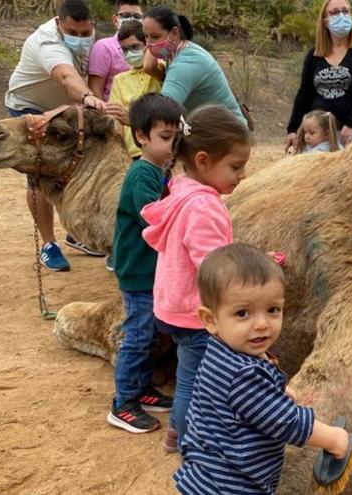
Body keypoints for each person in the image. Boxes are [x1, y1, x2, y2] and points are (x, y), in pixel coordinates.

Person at [174, 243, 350, 494]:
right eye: (243, 313)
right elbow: (286, 422)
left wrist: (274, 391)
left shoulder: (221, 350)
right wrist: (334, 439)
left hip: (206, 473)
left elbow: (241, 398)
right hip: (232, 486)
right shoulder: (242, 375)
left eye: (272, 310)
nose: (261, 324)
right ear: (211, 320)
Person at [141, 105, 252, 453]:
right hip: (196, 313)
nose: (242, 175)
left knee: (188, 376)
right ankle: (192, 440)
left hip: (172, 307)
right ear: (203, 160)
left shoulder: (181, 191)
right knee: (201, 381)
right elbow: (213, 266)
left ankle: (177, 432)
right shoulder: (205, 205)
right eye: (235, 166)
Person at [5, 0, 114, 271]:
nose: (79, 38)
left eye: (84, 33)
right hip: (30, 107)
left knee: (77, 170)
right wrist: (89, 97)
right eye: (72, 33)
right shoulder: (46, 41)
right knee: (42, 174)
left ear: (91, 26)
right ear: (58, 24)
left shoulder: (92, 40)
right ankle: (49, 244)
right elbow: (66, 77)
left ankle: (77, 233)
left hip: (67, 108)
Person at [106, 93, 184, 434]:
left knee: (149, 332)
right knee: (138, 334)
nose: (172, 146)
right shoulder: (142, 174)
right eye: (165, 138)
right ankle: (123, 402)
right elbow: (151, 219)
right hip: (139, 270)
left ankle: (141, 389)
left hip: (151, 270)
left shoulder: (157, 171)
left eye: (176, 139)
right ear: (141, 136)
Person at [284, 0, 352, 151]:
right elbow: (304, 93)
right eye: (334, 12)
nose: (341, 16)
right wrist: (292, 129)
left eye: (345, 11)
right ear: (325, 22)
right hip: (318, 136)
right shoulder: (314, 55)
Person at [141, 6, 246, 126]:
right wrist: (153, 43)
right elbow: (149, 67)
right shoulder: (182, 51)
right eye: (146, 36)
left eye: (155, 36)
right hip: (218, 131)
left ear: (175, 33)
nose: (149, 44)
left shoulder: (185, 64)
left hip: (228, 135)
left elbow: (164, 114)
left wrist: (130, 120)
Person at [107, 20, 163, 159]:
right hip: (132, 153)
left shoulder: (161, 69)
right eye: (124, 49)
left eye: (135, 47)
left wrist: (132, 119)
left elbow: (151, 67)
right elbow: (116, 119)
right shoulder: (120, 80)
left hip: (160, 149)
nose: (130, 53)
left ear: (146, 45)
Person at [87, 0, 144, 101]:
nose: (131, 19)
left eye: (137, 16)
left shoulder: (150, 44)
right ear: (115, 19)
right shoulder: (104, 47)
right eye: (125, 15)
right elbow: (95, 89)